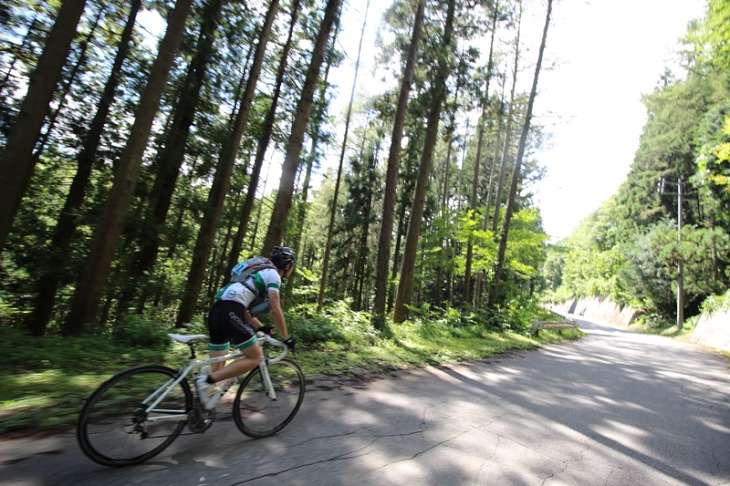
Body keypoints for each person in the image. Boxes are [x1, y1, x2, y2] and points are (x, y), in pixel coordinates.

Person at [195, 246, 297, 409]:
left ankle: (201, 407)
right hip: (231, 311)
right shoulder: (273, 275)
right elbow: (275, 309)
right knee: (254, 357)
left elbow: (246, 310)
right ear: (288, 266)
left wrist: (261, 327)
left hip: (217, 310)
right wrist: (286, 337)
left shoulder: (255, 274)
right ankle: (203, 381)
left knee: (219, 369)